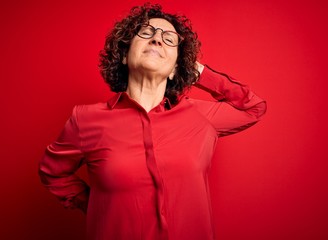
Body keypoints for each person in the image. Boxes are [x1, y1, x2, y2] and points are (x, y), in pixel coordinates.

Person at [39, 3, 267, 240]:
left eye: (169, 39)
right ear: (125, 56)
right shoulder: (85, 119)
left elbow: (253, 107)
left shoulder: (199, 117)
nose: (157, 39)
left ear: (174, 69)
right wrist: (96, 206)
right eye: (146, 32)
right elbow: (52, 173)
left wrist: (196, 71)